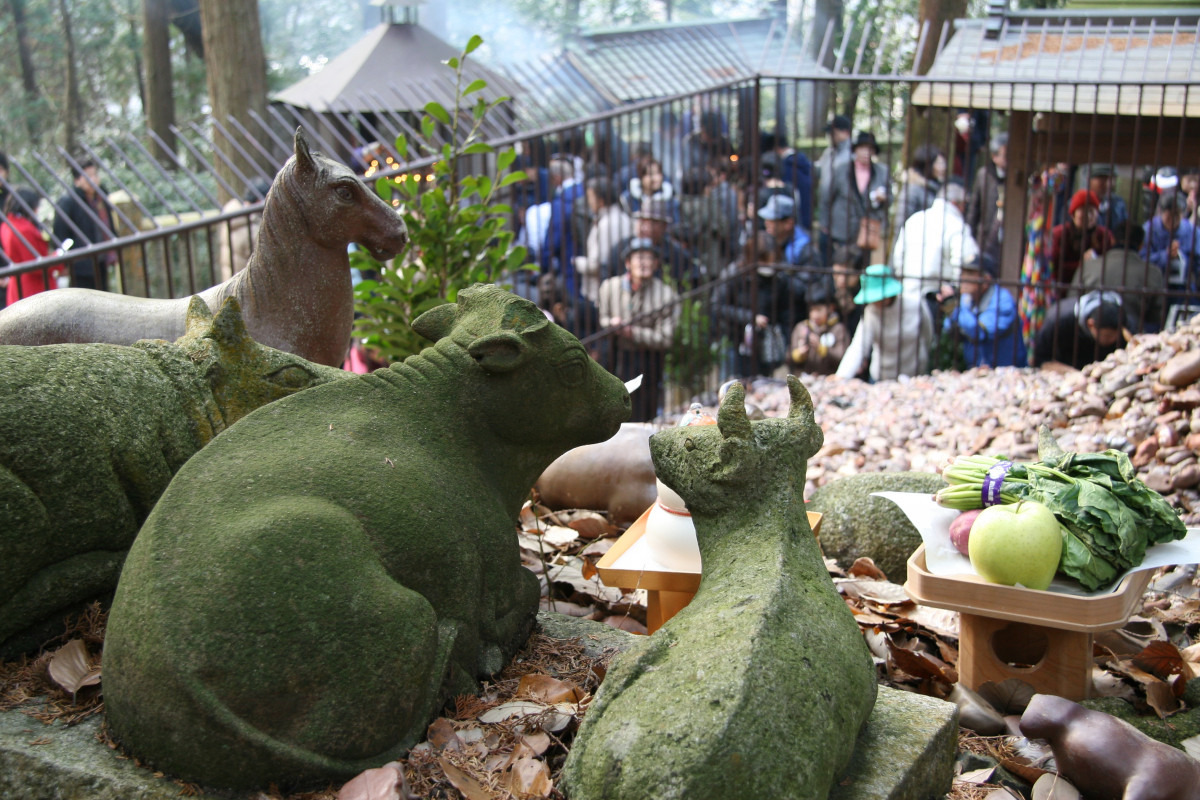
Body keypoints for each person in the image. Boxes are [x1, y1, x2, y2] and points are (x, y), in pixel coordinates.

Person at [598, 238, 679, 422]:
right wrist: (612, 322)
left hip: (648, 359)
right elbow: (602, 318)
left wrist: (632, 332)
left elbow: (665, 338)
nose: (643, 263)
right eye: (638, 257)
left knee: (643, 411)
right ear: (628, 263)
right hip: (615, 354)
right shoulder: (609, 287)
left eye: (649, 258)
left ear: (656, 264)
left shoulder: (666, 294)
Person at [710, 231, 807, 379]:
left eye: (772, 261)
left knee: (761, 383)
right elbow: (717, 306)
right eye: (765, 261)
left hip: (764, 343)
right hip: (734, 339)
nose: (769, 266)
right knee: (733, 387)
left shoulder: (779, 278)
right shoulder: (734, 273)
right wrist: (750, 317)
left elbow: (785, 310)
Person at [836, 263, 933, 382]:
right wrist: (841, 376)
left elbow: (928, 334)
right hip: (882, 377)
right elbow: (859, 347)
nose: (876, 302)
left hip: (915, 375)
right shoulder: (871, 312)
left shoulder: (915, 305)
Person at [891, 180, 979, 308]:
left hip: (907, 294)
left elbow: (898, 257)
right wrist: (954, 289)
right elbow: (965, 261)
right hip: (937, 298)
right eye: (964, 205)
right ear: (956, 203)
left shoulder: (914, 220)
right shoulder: (957, 225)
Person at [1073, 224, 1164, 332]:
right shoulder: (1152, 273)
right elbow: (1155, 318)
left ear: (1112, 240)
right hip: (1130, 337)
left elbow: (1072, 301)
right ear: (1141, 245)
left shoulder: (1089, 266)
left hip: (1087, 333)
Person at [819, 131, 890, 268]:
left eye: (870, 149)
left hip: (866, 231)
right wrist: (825, 225)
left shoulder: (882, 172)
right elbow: (827, 197)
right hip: (842, 229)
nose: (866, 153)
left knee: (861, 267)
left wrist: (882, 198)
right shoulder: (841, 170)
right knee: (841, 265)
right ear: (855, 150)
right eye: (862, 148)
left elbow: (890, 199)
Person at [942, 256, 1025, 368]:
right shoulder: (967, 298)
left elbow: (980, 333)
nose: (963, 279)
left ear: (986, 279)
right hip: (976, 370)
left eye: (970, 274)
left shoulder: (1002, 300)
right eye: (963, 273)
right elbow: (950, 328)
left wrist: (954, 309)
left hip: (1006, 373)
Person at [53, 157, 117, 291]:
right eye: (88, 176)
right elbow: (60, 234)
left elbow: (109, 225)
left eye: (95, 175)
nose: (93, 179)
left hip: (101, 259)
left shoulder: (101, 198)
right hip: (80, 264)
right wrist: (65, 262)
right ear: (77, 181)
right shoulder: (68, 202)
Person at [607, 197, 701, 288]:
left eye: (652, 223)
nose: (645, 228)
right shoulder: (621, 247)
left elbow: (692, 280)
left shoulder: (676, 254)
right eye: (642, 221)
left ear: (664, 227)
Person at [575, 176, 633, 303]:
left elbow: (598, 264)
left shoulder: (606, 224)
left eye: (590, 197)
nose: (588, 202)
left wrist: (577, 262)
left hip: (600, 290)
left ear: (601, 201)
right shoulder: (624, 217)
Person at [1033, 290, 1125, 370]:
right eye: (1107, 336)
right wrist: (1072, 373)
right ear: (1090, 324)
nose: (1113, 340)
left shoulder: (1125, 321)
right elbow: (1041, 359)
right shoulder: (1058, 320)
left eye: (1117, 336)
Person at [3, 186, 64, 306]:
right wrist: (57, 257)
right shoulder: (24, 229)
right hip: (33, 289)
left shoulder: (8, 225)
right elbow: (35, 265)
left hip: (19, 286)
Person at [540, 156, 587, 298]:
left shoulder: (561, 202)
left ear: (556, 178)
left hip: (570, 264)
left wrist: (544, 266)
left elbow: (553, 240)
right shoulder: (587, 191)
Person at [1050, 189, 1115, 288]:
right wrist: (1081, 264)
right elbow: (1053, 267)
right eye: (1083, 210)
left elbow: (1111, 264)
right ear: (1073, 214)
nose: (1088, 216)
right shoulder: (1059, 234)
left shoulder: (1104, 236)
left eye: (1091, 211)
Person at [1140, 191, 1196, 299]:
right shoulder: (1148, 230)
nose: (1173, 220)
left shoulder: (1192, 232)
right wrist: (1165, 256)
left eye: (1177, 215)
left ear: (1183, 214)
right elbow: (1141, 259)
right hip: (1153, 287)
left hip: (1184, 289)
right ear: (1161, 212)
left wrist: (1181, 257)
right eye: (1169, 216)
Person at [788, 279, 849, 375]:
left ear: (831, 308)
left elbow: (844, 358)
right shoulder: (801, 327)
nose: (815, 315)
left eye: (819, 310)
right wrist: (799, 354)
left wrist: (822, 349)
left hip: (829, 380)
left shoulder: (838, 329)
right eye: (812, 310)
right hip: (804, 378)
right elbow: (789, 357)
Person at [216, 178, 272, 283]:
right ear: (259, 201)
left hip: (230, 284)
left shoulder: (233, 217)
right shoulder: (252, 230)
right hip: (246, 290)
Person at [966, 133, 1007, 264]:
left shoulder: (1018, 177)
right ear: (994, 156)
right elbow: (974, 209)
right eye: (1006, 155)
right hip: (985, 237)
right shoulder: (984, 175)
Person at [893, 144, 945, 232]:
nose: (943, 167)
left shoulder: (937, 187)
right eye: (939, 163)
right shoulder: (912, 189)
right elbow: (900, 222)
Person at [757, 194, 815, 268]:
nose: (766, 223)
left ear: (788, 223)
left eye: (772, 219)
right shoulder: (769, 239)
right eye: (766, 218)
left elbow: (808, 277)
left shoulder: (804, 248)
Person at [1088, 164, 1128, 236]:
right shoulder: (1077, 204)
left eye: (1111, 179)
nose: (1107, 184)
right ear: (1090, 180)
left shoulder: (1118, 203)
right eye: (1102, 179)